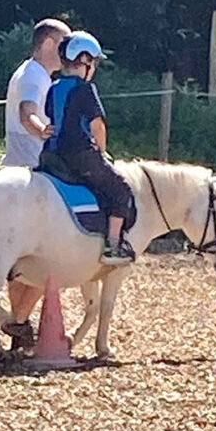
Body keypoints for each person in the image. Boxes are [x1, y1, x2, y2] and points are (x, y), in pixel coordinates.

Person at [1, 18, 71, 344]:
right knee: (53, 255)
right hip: (33, 170)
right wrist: (39, 128)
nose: (69, 52)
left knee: (19, 262)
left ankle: (19, 325)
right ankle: (17, 320)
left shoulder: (28, 72)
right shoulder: (35, 76)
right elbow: (27, 111)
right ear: (47, 45)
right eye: (63, 44)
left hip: (12, 165)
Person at [40, 30, 135, 266]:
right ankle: (113, 245)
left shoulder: (53, 87)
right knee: (120, 189)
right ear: (85, 61)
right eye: (94, 62)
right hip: (80, 154)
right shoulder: (85, 89)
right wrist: (101, 152)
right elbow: (97, 126)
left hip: (51, 154)